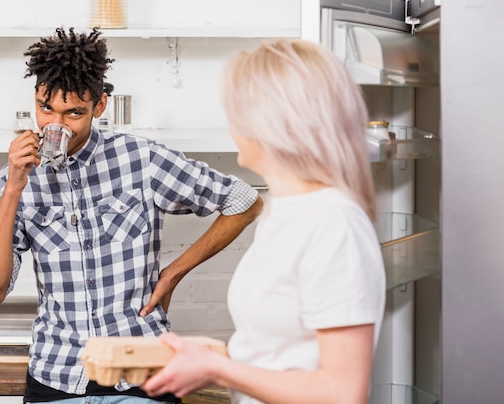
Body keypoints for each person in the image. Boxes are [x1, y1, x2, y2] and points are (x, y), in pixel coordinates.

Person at [0, 27, 263, 404]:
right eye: (47, 109)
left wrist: (173, 273)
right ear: (36, 98)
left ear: (100, 105)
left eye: (74, 113)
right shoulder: (15, 177)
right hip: (56, 379)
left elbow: (244, 200)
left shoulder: (140, 159)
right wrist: (14, 186)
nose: (56, 125)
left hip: (143, 378)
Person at [141, 39, 386, 404]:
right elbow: (278, 357)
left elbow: (342, 394)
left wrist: (217, 369)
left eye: (237, 110)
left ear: (272, 122)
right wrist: (211, 359)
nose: (231, 123)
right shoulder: (284, 212)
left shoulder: (333, 224)